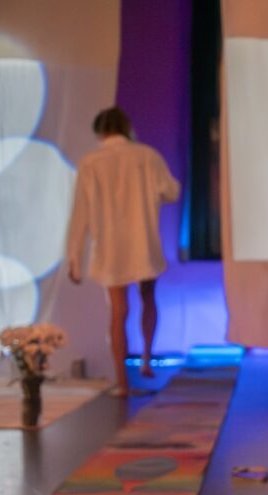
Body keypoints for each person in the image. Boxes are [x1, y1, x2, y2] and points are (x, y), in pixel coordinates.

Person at [65, 106, 180, 397]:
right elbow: (171, 191)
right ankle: (147, 357)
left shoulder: (91, 162)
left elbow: (80, 212)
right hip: (143, 241)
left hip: (110, 245)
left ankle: (122, 381)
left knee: (118, 311)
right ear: (126, 127)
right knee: (148, 297)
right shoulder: (147, 156)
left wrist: (74, 256)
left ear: (99, 131)